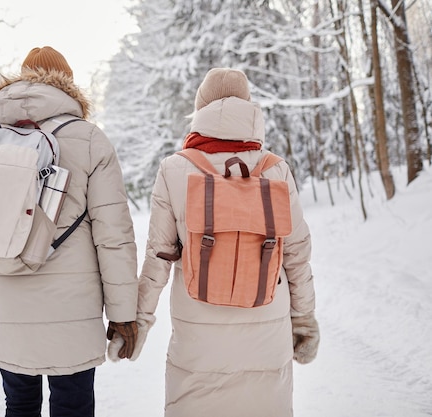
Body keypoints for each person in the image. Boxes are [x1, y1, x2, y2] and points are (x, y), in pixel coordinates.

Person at [108, 68, 319, 416]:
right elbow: (296, 254)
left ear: (200, 108)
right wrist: (305, 318)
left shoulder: (175, 169)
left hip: (197, 332)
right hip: (266, 327)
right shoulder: (275, 169)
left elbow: (158, 257)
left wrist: (138, 321)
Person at [0, 46, 139, 417]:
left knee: (18, 404)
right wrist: (124, 311)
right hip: (71, 309)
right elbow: (113, 236)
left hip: (4, 301)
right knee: (73, 406)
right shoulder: (89, 138)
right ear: (68, 87)